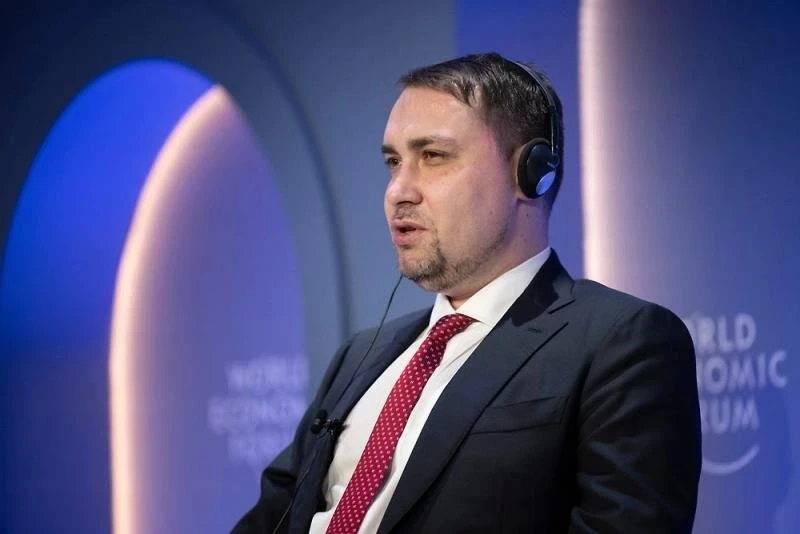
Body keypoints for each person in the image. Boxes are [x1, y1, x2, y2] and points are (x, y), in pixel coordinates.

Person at [233, 52, 701, 533]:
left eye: (432, 156)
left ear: (530, 172)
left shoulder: (619, 342)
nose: (398, 191)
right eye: (393, 162)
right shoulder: (358, 357)